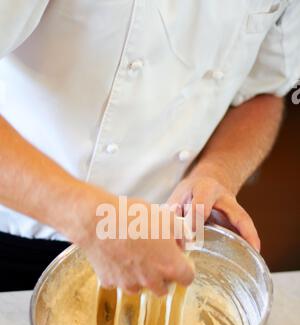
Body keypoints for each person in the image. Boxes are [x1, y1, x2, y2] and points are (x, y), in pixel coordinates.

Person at [0, 0, 299, 293]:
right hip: (19, 226)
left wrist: (218, 171)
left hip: (157, 241)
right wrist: (94, 221)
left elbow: (264, 92)